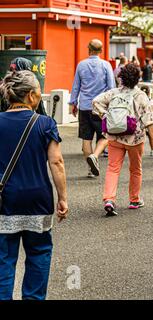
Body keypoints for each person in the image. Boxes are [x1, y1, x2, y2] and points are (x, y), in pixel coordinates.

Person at [0, 70, 68, 300]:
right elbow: (56, 162)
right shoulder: (44, 123)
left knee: (4, 259)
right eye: (38, 90)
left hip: (4, 201)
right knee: (39, 254)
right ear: (30, 95)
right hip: (37, 200)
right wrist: (62, 197)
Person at [92, 64, 153, 216]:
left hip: (115, 136)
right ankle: (134, 200)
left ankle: (109, 199)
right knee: (135, 169)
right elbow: (149, 120)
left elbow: (95, 102)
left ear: (121, 78)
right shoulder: (141, 95)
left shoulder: (113, 93)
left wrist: (106, 116)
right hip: (134, 138)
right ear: (137, 79)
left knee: (113, 168)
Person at [69, 39, 115, 178]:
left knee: (86, 138)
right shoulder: (106, 65)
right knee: (105, 136)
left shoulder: (81, 65)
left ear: (88, 49)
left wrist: (73, 103)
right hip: (100, 107)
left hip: (84, 106)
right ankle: (95, 156)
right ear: (101, 51)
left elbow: (76, 85)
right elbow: (111, 87)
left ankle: (90, 169)